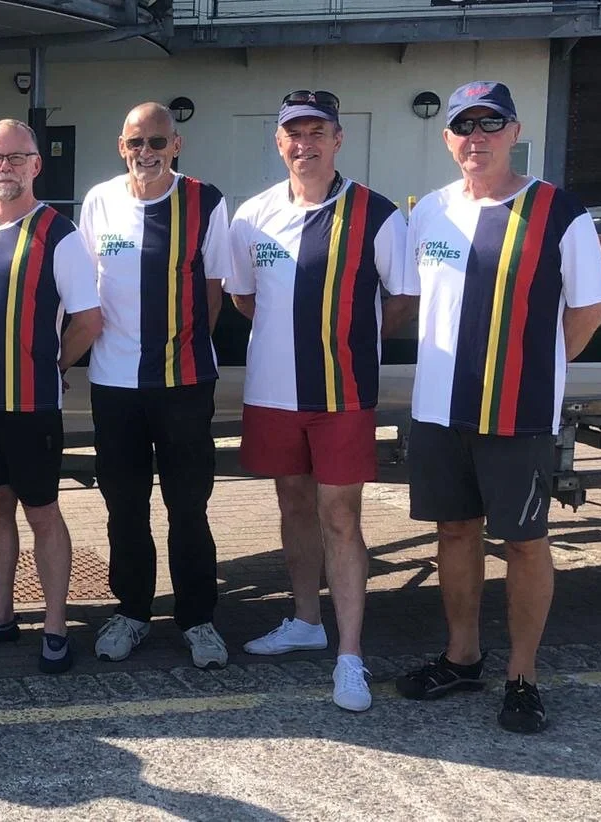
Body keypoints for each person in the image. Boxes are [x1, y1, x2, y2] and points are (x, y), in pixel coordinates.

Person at [396, 81, 601, 733]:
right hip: (439, 411)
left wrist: (539, 370)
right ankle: (462, 658)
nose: (477, 137)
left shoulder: (559, 212)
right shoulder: (429, 211)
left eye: (491, 124)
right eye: (465, 126)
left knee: (524, 542)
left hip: (518, 412)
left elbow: (589, 310)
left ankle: (522, 675)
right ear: (447, 138)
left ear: (515, 132)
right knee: (455, 532)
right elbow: (414, 302)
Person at [224, 91, 416, 711]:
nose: (304, 144)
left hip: (343, 391)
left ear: (338, 139)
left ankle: (350, 655)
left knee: (340, 516)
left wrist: (349, 338)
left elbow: (403, 298)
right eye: (293, 133)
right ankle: (306, 621)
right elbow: (244, 297)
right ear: (278, 142)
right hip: (273, 392)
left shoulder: (377, 213)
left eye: (316, 132)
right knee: (292, 505)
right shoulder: (252, 216)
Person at [0, 118, 102, 674]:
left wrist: (52, 366)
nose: (5, 167)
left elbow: (88, 320)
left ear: (36, 164)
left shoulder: (60, 234)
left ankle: (55, 627)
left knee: (42, 512)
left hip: (32, 404)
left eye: (16, 157)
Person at [78, 102, 232, 669]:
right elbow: (85, 285)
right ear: (122, 147)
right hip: (114, 383)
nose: (146, 153)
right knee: (124, 506)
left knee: (188, 506)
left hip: (184, 382)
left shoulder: (207, 201)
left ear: (176, 145)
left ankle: (197, 619)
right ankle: (132, 612)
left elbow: (212, 291)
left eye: (157, 142)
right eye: (136, 143)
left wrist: (182, 350)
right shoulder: (99, 200)